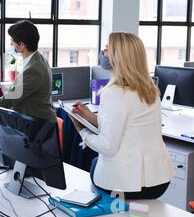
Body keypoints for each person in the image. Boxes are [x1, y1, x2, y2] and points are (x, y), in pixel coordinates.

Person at [71, 32, 174, 199]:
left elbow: (107, 147)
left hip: (127, 185)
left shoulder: (113, 93)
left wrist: (81, 130)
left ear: (119, 57)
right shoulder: (150, 89)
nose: (102, 53)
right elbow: (129, 126)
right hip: (158, 180)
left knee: (94, 165)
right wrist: (90, 117)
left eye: (106, 50)